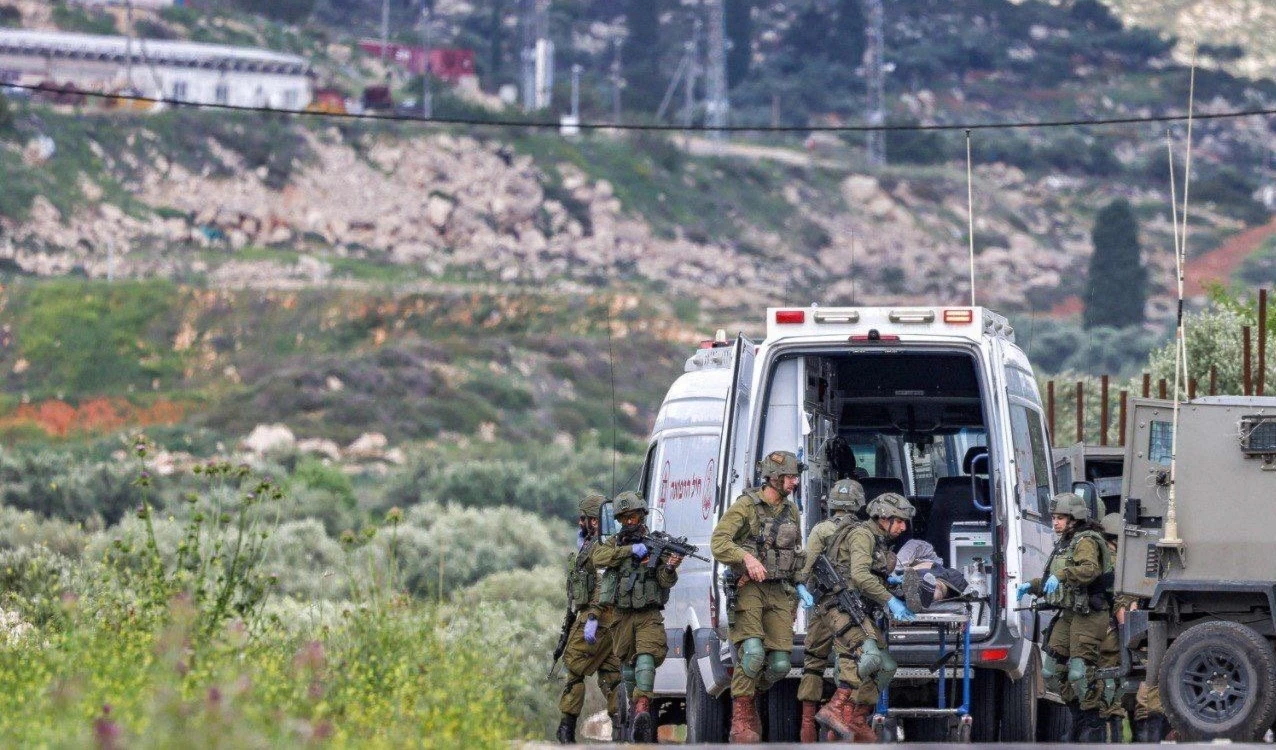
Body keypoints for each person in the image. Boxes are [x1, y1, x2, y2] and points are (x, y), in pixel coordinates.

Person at [710, 450, 806, 744]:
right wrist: (746, 559)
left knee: (780, 665)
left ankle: (748, 692)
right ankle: (742, 713)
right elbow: (718, 542)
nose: (795, 482)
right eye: (790, 477)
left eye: (795, 477)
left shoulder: (791, 512)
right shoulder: (746, 506)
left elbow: (796, 554)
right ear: (774, 478)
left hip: (778, 592)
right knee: (752, 653)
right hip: (748, 588)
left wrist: (799, 590)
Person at [815, 492, 918, 742]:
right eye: (900, 520)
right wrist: (889, 600)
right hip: (840, 607)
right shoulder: (863, 535)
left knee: (887, 666)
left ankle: (857, 718)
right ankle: (835, 708)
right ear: (883, 518)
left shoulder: (878, 539)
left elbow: (871, 573)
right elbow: (860, 576)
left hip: (858, 609)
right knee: (870, 658)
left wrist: (890, 582)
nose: (903, 527)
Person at [1016, 493, 1113, 742]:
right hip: (1069, 613)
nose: (1055, 523)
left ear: (1074, 518)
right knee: (1051, 672)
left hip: (1090, 613)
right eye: (1054, 518)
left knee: (1079, 674)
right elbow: (1055, 576)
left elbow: (1089, 569)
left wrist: (1061, 576)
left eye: (1060, 518)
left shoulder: (1087, 540)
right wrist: (1032, 585)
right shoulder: (1066, 542)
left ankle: (1094, 727)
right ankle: (1078, 720)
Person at [592, 490, 682, 743]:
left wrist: (670, 567)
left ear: (642, 516)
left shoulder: (656, 543)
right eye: (625, 518)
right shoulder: (615, 544)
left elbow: (665, 580)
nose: (630, 522)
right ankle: (634, 712)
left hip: (648, 615)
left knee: (645, 662)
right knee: (628, 669)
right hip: (621, 616)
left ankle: (642, 709)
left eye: (634, 517)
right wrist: (630, 551)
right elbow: (597, 558)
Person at [795, 478, 867, 743]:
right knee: (850, 661)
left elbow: (805, 567)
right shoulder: (861, 532)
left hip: (821, 606)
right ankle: (837, 727)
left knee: (813, 664)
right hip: (847, 608)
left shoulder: (820, 529)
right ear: (859, 503)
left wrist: (802, 589)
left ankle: (807, 728)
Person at [556, 492, 622, 744]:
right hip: (612, 624)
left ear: (594, 521)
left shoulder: (599, 548)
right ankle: (621, 731)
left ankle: (566, 731)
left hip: (596, 620)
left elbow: (602, 583)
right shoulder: (602, 545)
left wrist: (592, 616)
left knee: (573, 672)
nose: (579, 523)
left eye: (583, 518)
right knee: (613, 679)